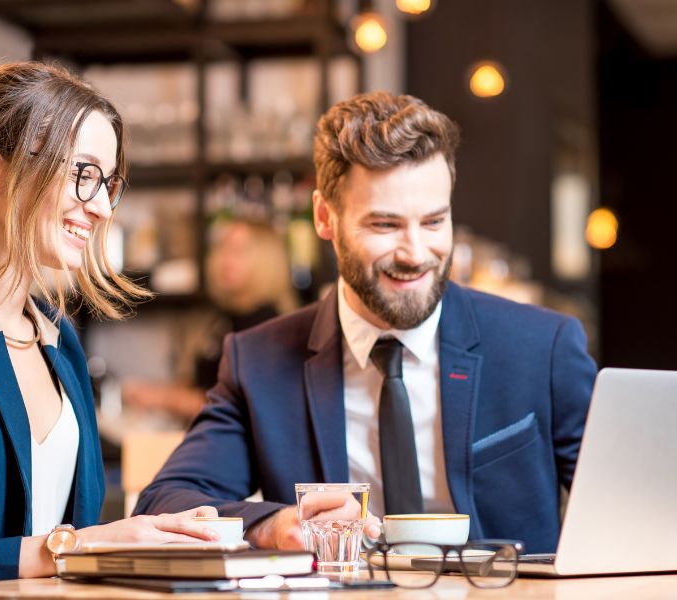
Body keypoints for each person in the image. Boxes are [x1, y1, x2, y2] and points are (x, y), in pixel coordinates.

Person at [135, 91, 597, 554]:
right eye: (384, 225)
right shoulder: (257, 361)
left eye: (434, 222)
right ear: (324, 217)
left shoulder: (543, 347)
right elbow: (163, 504)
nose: (415, 253)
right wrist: (269, 525)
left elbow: (634, 516)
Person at [0, 58, 220, 597]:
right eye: (84, 174)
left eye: (108, 183)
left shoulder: (58, 338)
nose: (103, 207)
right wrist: (76, 548)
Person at [122, 218, 297, 422]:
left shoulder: (268, 328)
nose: (226, 260)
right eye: (223, 248)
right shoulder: (227, 319)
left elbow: (237, 407)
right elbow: (205, 383)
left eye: (240, 251)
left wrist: (163, 398)